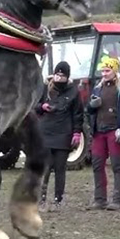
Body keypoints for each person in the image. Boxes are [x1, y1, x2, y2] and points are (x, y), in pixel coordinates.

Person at [86, 56, 120, 211]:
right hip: (99, 131)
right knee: (97, 165)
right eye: (102, 70)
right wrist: (92, 106)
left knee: (117, 165)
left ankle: (118, 200)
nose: (104, 73)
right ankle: (100, 200)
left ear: (115, 71)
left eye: (107, 70)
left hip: (115, 130)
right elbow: (89, 110)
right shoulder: (97, 88)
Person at [36, 61, 83, 212]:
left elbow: (78, 114)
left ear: (67, 76)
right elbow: (34, 106)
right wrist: (42, 107)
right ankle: (41, 199)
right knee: (45, 168)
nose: (59, 77)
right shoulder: (45, 89)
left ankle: (58, 199)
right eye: (57, 74)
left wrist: (76, 132)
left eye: (62, 75)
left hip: (64, 134)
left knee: (60, 168)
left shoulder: (73, 92)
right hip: (46, 133)